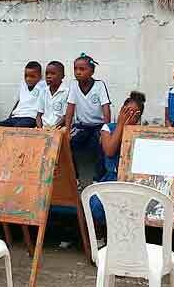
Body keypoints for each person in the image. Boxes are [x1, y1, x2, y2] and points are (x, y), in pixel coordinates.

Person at [90, 91, 145, 225]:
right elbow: (109, 151)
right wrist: (121, 125)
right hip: (112, 178)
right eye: (126, 111)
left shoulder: (140, 132)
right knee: (97, 204)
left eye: (134, 113)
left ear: (138, 117)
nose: (129, 115)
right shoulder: (108, 128)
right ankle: (102, 234)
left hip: (132, 180)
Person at [65, 53, 111, 181]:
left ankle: (98, 178)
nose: (78, 72)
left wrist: (105, 130)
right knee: (67, 143)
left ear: (91, 72)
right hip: (81, 126)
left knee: (101, 145)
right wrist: (67, 129)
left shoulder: (99, 85)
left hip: (98, 126)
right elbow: (70, 108)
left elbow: (106, 108)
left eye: (82, 69)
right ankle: (75, 179)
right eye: (75, 69)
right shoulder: (74, 85)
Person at [0, 61, 45, 128]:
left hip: (30, 117)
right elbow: (18, 102)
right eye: (26, 76)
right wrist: (10, 117)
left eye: (32, 76)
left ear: (40, 76)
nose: (28, 79)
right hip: (16, 116)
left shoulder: (43, 85)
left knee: (17, 128)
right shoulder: (23, 85)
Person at [36, 61, 68, 129]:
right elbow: (39, 115)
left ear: (62, 76)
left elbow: (66, 117)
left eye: (53, 74)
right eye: (47, 73)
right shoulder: (43, 91)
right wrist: (40, 128)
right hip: (44, 127)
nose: (48, 76)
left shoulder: (66, 92)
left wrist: (54, 128)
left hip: (59, 127)